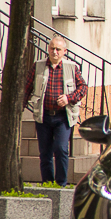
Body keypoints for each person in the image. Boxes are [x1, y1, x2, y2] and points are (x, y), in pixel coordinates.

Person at [24, 36, 87, 186]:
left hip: (63, 117)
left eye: (58, 49)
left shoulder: (71, 67)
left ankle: (61, 184)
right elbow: (26, 88)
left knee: (60, 149)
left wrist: (69, 98)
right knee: (45, 153)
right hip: (44, 116)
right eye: (52, 48)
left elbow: (83, 87)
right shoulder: (38, 66)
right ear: (48, 49)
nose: (55, 52)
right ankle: (47, 183)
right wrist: (19, 107)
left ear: (64, 51)